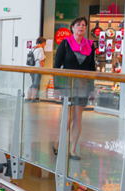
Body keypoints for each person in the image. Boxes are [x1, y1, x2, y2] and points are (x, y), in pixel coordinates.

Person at [53, 17, 96, 161]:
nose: (81, 27)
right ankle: (58, 142)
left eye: (84, 25)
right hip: (67, 84)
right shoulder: (65, 44)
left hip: (83, 85)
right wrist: (56, 87)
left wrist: (92, 89)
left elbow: (92, 69)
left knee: (78, 118)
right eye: (78, 25)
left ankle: (73, 150)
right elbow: (56, 67)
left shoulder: (90, 45)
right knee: (68, 117)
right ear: (72, 27)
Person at [26, 37, 46, 102]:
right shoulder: (40, 49)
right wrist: (42, 70)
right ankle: (33, 98)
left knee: (33, 83)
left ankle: (28, 97)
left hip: (32, 68)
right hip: (37, 68)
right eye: (45, 43)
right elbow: (41, 61)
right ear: (43, 43)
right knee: (36, 84)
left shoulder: (33, 48)